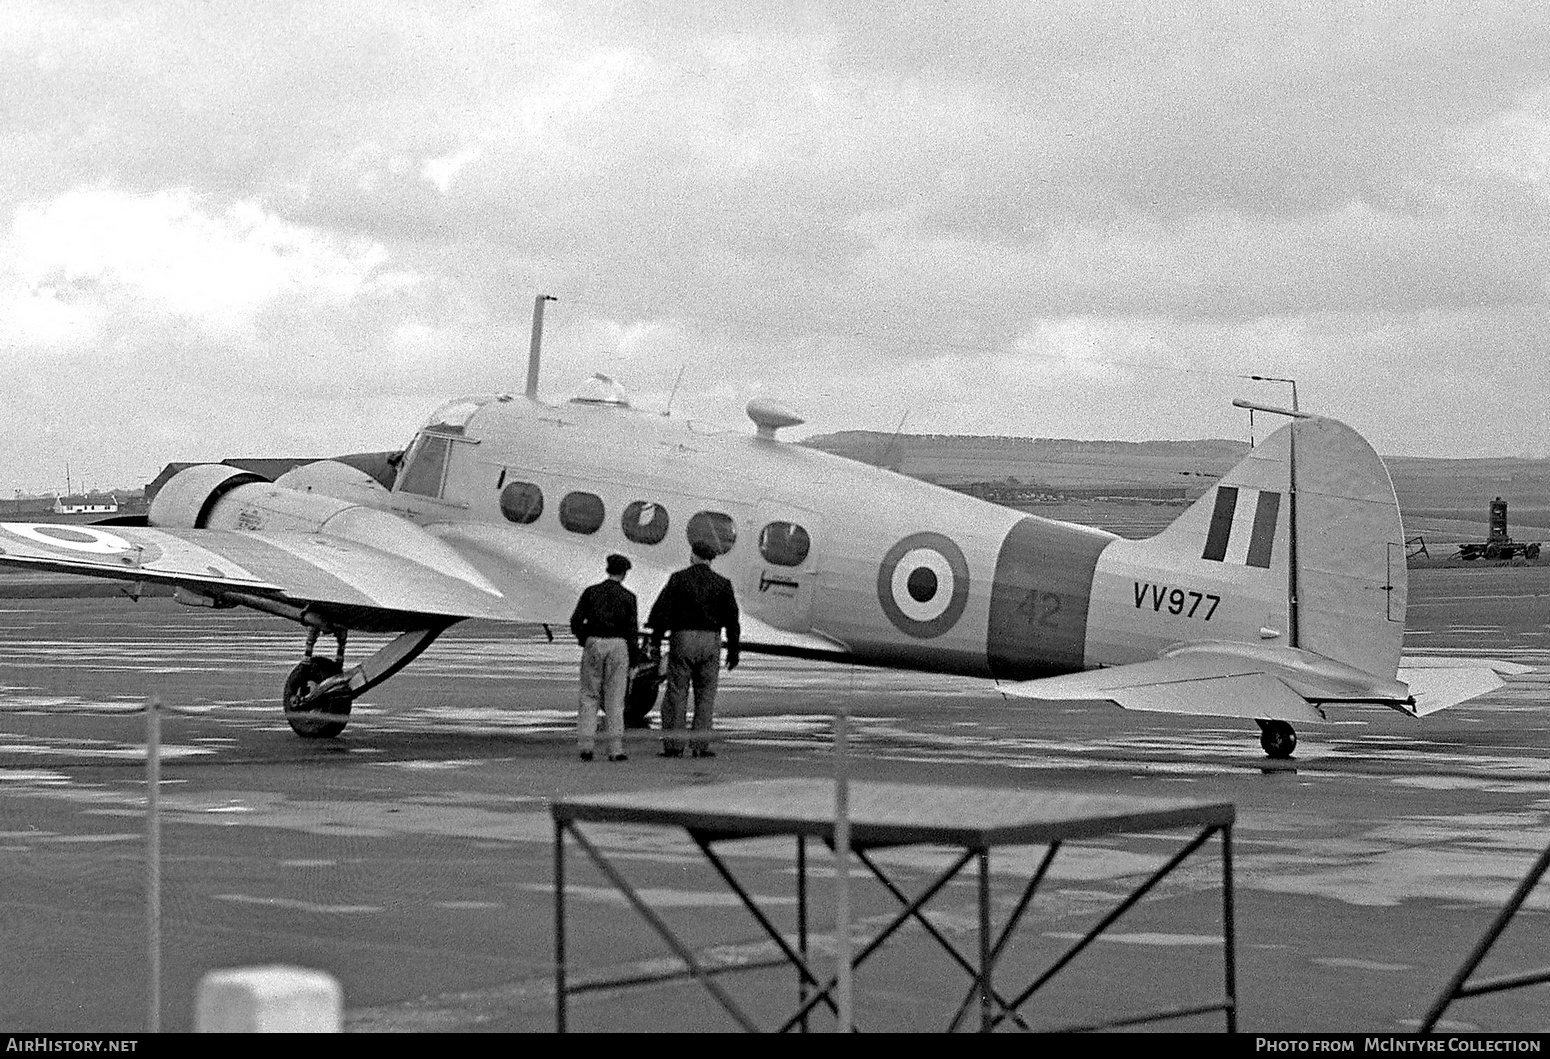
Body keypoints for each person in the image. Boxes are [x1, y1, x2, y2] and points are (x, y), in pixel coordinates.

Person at [647, 539, 741, 758]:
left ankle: (674, 746)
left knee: (677, 692)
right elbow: (732, 620)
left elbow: (661, 613)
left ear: (693, 556)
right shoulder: (723, 583)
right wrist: (733, 650)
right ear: (711, 560)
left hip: (683, 638)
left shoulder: (678, 579)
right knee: (706, 694)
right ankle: (700, 746)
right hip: (711, 640)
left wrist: (656, 640)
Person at [569, 553, 639, 762]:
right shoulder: (629, 597)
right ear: (624, 573)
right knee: (615, 700)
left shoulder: (591, 592)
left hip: (594, 643)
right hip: (618, 645)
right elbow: (632, 631)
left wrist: (585, 639)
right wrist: (634, 661)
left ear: (607, 569)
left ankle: (586, 747)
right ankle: (615, 749)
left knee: (589, 695)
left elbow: (575, 621)